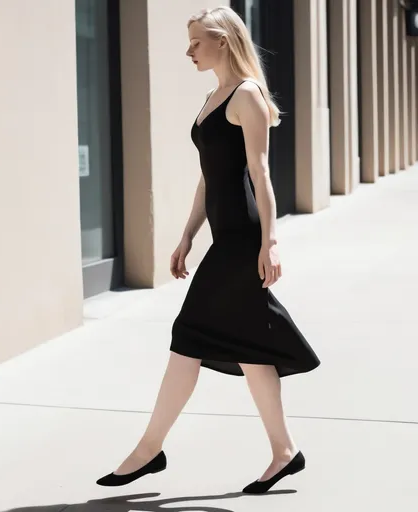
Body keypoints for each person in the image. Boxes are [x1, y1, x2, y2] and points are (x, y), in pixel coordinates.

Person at [96, 6, 320, 494]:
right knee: (250, 346)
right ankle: (284, 452)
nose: (189, 50)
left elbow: (259, 174)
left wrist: (271, 242)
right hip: (223, 236)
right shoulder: (213, 97)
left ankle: (149, 449)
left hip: (241, 240)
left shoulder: (247, 96)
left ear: (222, 40)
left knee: (189, 334)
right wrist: (186, 235)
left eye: (196, 41)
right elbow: (209, 177)